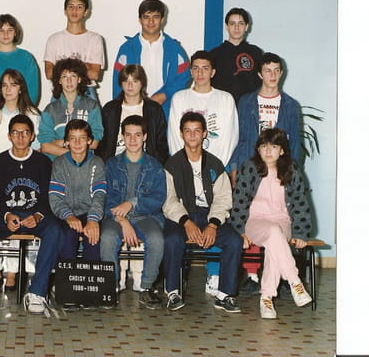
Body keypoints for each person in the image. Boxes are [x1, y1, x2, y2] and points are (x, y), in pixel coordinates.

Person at [0, 115, 63, 315]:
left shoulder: (43, 162)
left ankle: (37, 292)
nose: (20, 137)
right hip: (7, 215)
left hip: (34, 216)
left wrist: (38, 215)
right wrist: (6, 215)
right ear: (9, 136)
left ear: (32, 136)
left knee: (55, 229)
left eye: (25, 133)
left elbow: (49, 198)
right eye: (15, 133)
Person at [227, 52, 303, 296]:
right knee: (252, 214)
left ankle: (272, 288)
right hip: (251, 169)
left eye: (276, 70)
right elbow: (240, 138)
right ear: (260, 74)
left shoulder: (290, 105)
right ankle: (252, 275)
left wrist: (292, 173)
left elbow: (295, 145)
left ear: (282, 73)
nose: (272, 75)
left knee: (275, 222)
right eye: (267, 70)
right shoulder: (247, 102)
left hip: (278, 169)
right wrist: (235, 168)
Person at [161, 112, 243, 313]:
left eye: (197, 131)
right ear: (181, 134)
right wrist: (186, 221)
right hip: (181, 216)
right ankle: (172, 292)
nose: (192, 135)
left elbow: (223, 198)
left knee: (234, 241)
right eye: (187, 131)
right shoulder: (172, 164)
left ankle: (224, 295)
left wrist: (213, 224)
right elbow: (168, 199)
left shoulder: (215, 164)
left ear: (204, 133)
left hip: (209, 215)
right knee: (172, 239)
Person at [230, 128, 313, 319]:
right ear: (258, 149)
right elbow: (239, 201)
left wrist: (300, 233)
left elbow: (300, 203)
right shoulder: (250, 167)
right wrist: (239, 230)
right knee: (275, 235)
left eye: (274, 147)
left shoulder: (291, 169)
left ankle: (266, 298)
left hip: (282, 220)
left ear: (282, 150)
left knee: (275, 241)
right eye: (264, 146)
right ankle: (294, 281)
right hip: (254, 221)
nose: (268, 151)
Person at [0, 68, 41, 290]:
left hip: (24, 179)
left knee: (20, 219)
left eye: (13, 85)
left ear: (21, 88)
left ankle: (12, 271)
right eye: (4, 85)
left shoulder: (33, 114)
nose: (8, 90)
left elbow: (37, 152)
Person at [100, 115, 166, 309]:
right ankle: (111, 287)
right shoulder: (111, 165)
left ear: (145, 137)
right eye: (128, 135)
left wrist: (132, 203)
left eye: (137, 135)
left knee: (156, 238)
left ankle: (146, 287)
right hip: (115, 217)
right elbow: (106, 198)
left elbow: (157, 199)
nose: (133, 139)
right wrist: (123, 221)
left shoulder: (154, 166)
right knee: (108, 237)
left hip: (146, 216)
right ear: (122, 136)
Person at [112, 0, 190, 118]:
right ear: (140, 19)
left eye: (156, 17)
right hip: (133, 110)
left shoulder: (175, 49)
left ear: (162, 19)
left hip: (165, 110)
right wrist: (119, 110)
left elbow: (183, 78)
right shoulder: (127, 49)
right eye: (146, 17)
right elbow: (118, 81)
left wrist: (164, 94)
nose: (151, 21)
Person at [167, 50, 238, 174]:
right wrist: (184, 164)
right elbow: (174, 136)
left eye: (205, 68)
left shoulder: (225, 99)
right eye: (196, 68)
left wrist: (214, 167)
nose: (200, 73)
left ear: (212, 72)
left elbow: (230, 138)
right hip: (184, 168)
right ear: (191, 72)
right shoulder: (179, 98)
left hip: (216, 168)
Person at [49, 119, 106, 261]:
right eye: (73, 138)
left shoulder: (97, 163)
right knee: (67, 238)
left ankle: (90, 276)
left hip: (89, 213)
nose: (77, 143)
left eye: (82, 138)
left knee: (93, 238)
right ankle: (66, 276)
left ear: (89, 141)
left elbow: (99, 195)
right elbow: (55, 197)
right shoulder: (59, 163)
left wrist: (93, 220)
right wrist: (68, 216)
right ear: (66, 142)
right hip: (65, 215)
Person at [97, 64, 169, 164]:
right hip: (115, 163)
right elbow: (102, 143)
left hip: (146, 164)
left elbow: (161, 144)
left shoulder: (154, 110)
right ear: (121, 83)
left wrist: (155, 165)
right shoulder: (110, 109)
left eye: (134, 81)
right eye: (126, 81)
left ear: (142, 83)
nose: (130, 85)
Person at [43, 0, 105, 99]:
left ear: (86, 12)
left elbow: (94, 74)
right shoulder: (54, 39)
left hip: (86, 91)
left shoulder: (95, 39)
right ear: (65, 11)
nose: (74, 10)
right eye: (71, 6)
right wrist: (85, 66)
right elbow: (49, 73)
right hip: (61, 91)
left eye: (79, 7)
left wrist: (61, 67)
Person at [38, 57, 103, 159]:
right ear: (59, 80)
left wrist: (58, 142)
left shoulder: (92, 106)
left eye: (73, 76)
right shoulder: (50, 110)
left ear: (79, 79)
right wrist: (73, 152)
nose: (69, 81)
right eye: (64, 76)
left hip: (84, 163)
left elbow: (94, 143)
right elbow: (45, 146)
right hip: (56, 163)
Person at [0, 14, 40, 113]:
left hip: (21, 113)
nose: (6, 34)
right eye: (1, 30)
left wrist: (21, 110)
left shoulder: (26, 57)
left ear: (15, 32)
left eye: (10, 30)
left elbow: (32, 91)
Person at [210, 8, 264, 103]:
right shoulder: (215, 54)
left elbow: (262, 83)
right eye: (232, 23)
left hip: (249, 107)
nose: (236, 27)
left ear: (246, 26)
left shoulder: (255, 52)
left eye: (241, 23)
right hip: (221, 105)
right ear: (226, 26)